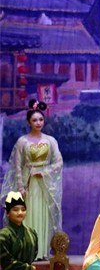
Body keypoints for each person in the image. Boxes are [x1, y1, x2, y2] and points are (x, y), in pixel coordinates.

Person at [1, 99, 63, 260]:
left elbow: (58, 162)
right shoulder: (22, 142)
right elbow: (17, 166)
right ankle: (26, 251)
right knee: (27, 214)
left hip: (44, 184)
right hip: (28, 182)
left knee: (44, 214)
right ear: (29, 122)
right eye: (35, 120)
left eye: (41, 119)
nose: (38, 123)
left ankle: (41, 251)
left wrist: (44, 171)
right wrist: (21, 186)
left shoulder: (50, 141)